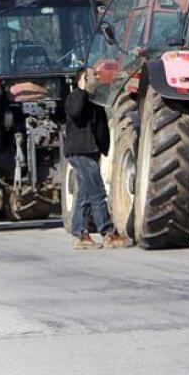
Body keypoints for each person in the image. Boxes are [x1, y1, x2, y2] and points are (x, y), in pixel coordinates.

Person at [64, 67, 125, 249]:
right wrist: (83, 89)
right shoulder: (76, 96)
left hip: (91, 152)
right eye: (93, 75)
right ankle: (108, 232)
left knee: (84, 195)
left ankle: (80, 234)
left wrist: (104, 148)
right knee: (98, 193)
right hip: (80, 152)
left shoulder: (96, 100)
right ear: (83, 78)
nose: (97, 78)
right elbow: (75, 111)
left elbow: (101, 127)